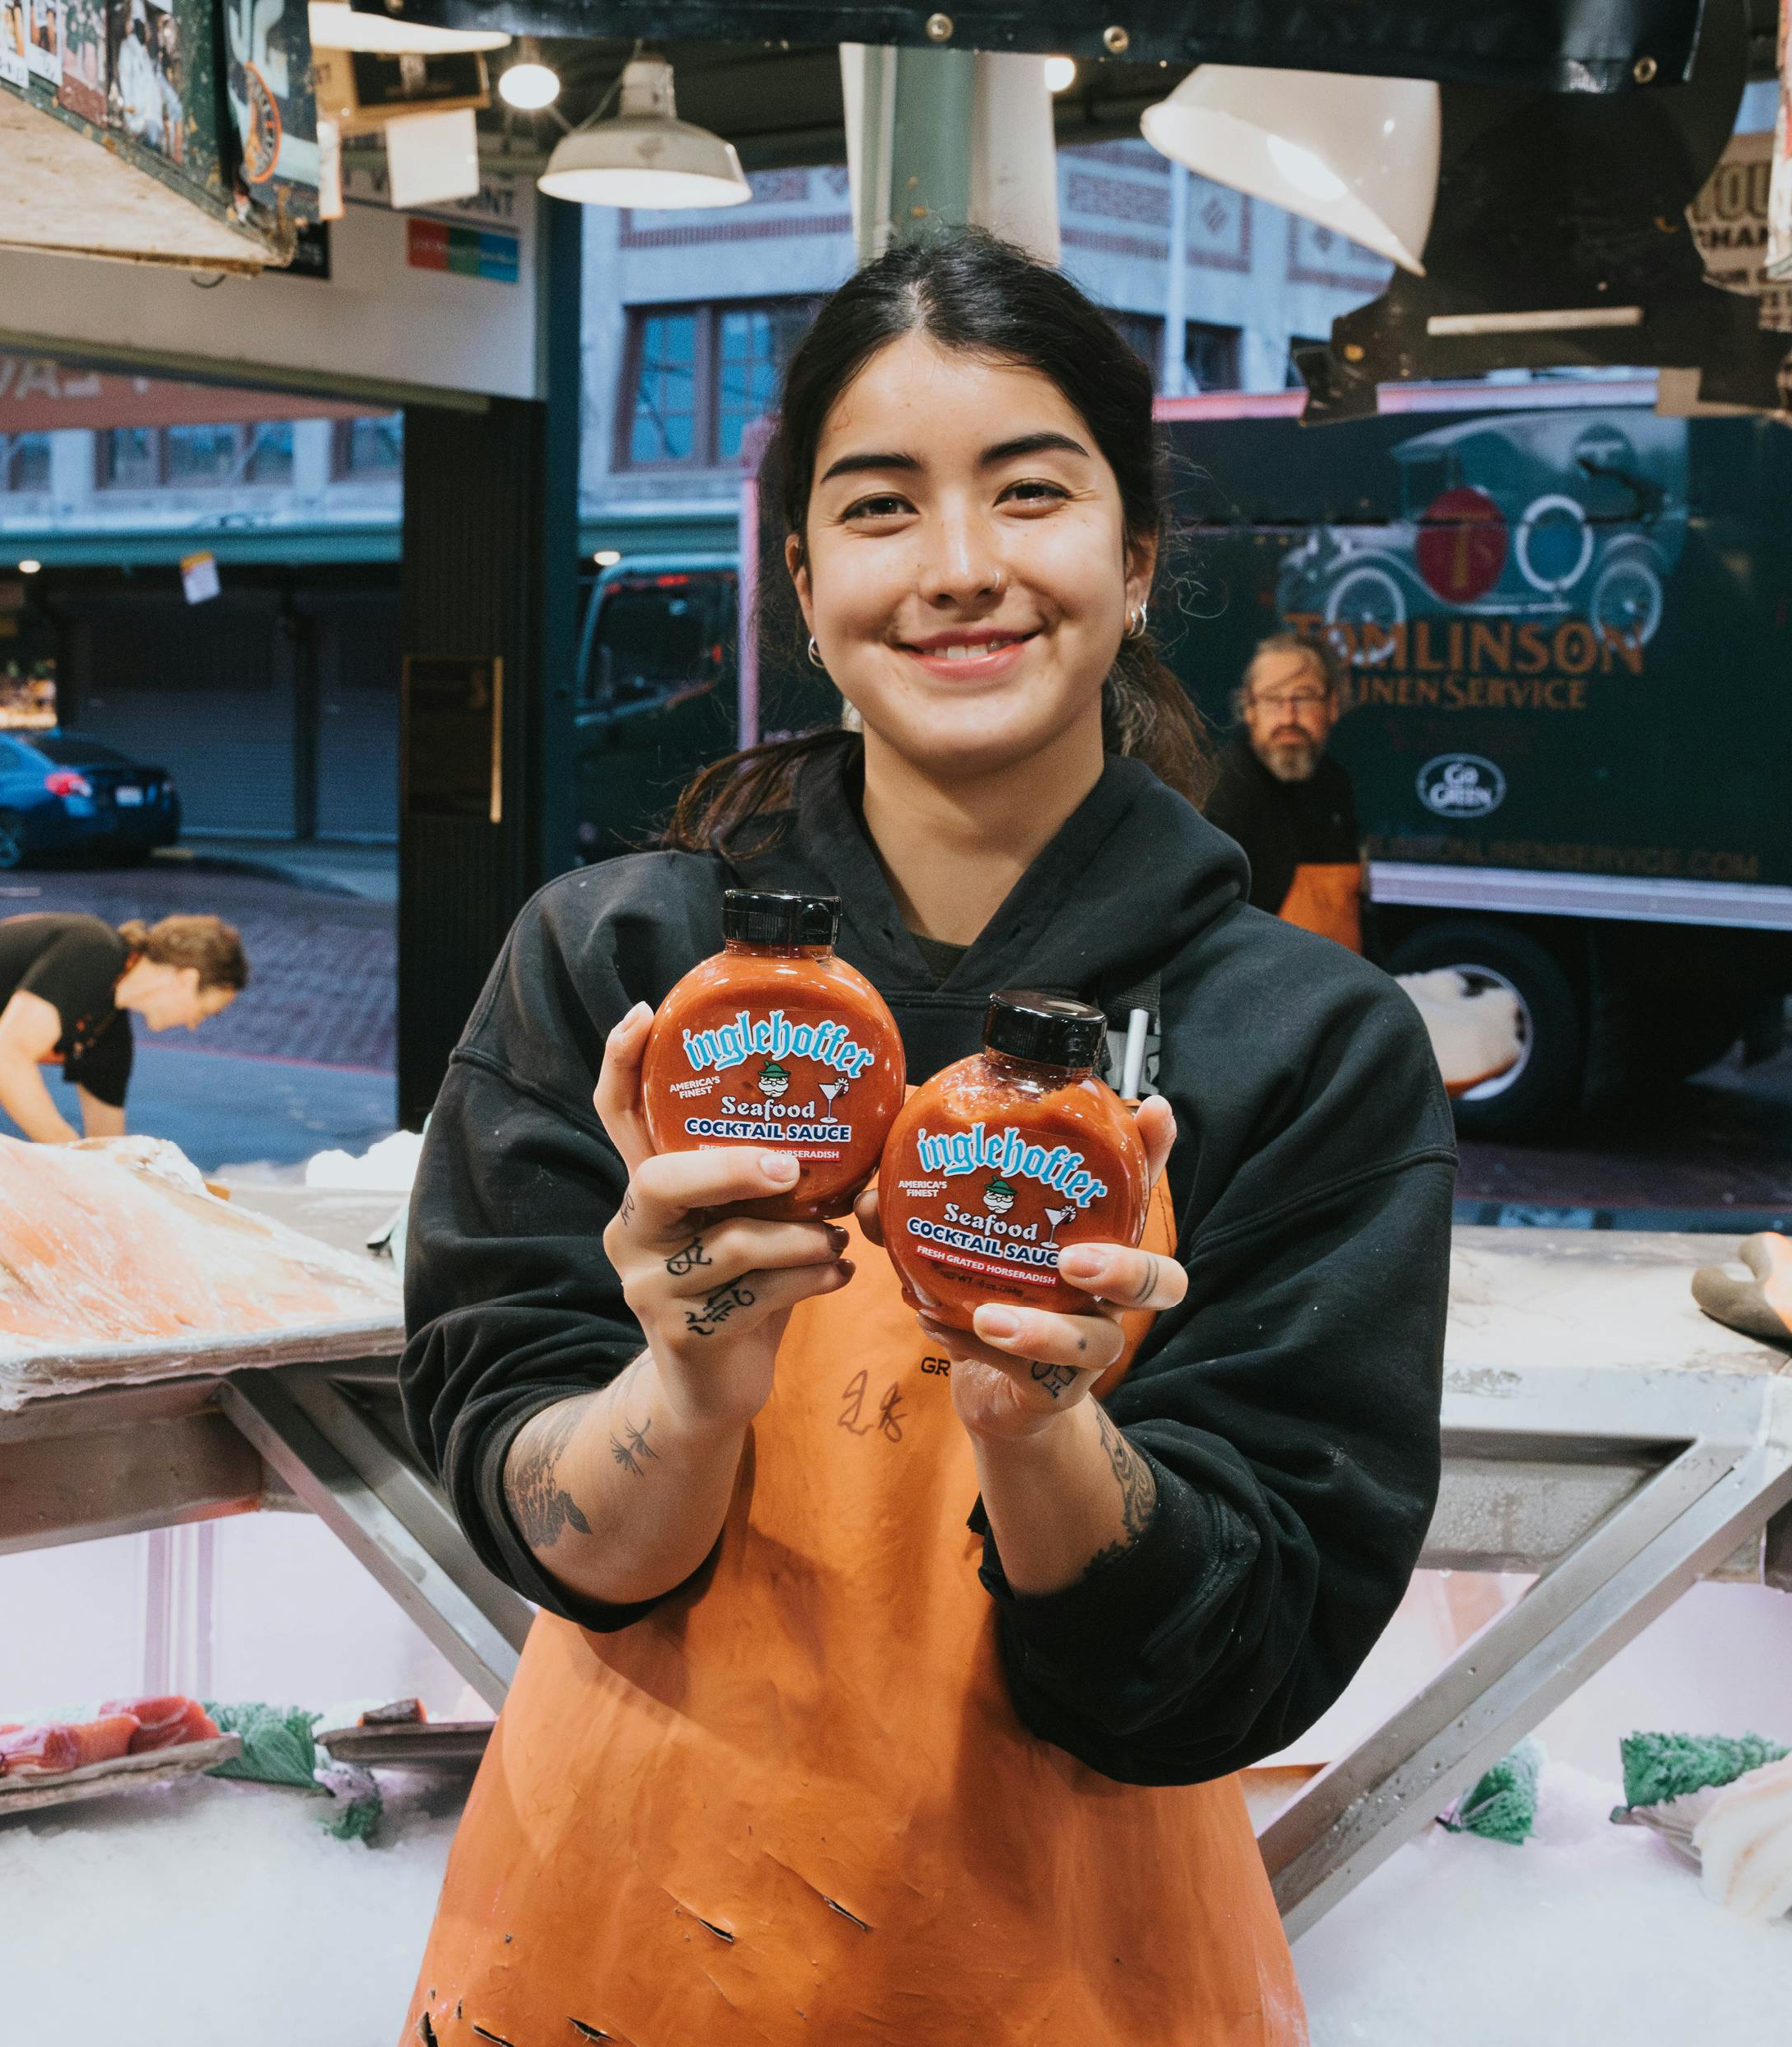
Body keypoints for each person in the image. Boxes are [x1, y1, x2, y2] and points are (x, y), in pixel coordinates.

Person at [399, 231, 1455, 2045]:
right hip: (611, 1962)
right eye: (878, 509)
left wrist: (1044, 1432)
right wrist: (684, 1379)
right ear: (802, 585)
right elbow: (550, 1519)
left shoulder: (1305, 1043)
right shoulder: (621, 970)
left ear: (1133, 559)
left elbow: (1241, 1658)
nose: (959, 569)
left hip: (1072, 1981)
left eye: (1029, 493)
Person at [0, 912, 246, 1141]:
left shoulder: (107, 1034)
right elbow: (5, 1061)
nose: (195, 1025)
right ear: (186, 980)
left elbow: (109, 1148)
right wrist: (71, 1158)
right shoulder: (92, 949)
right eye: (204, 1010)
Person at [1203, 628, 1366, 951]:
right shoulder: (1226, 787)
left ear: (1332, 706)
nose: (1288, 717)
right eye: (1273, 700)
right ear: (1249, 709)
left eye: (1303, 698)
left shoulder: (1336, 784)